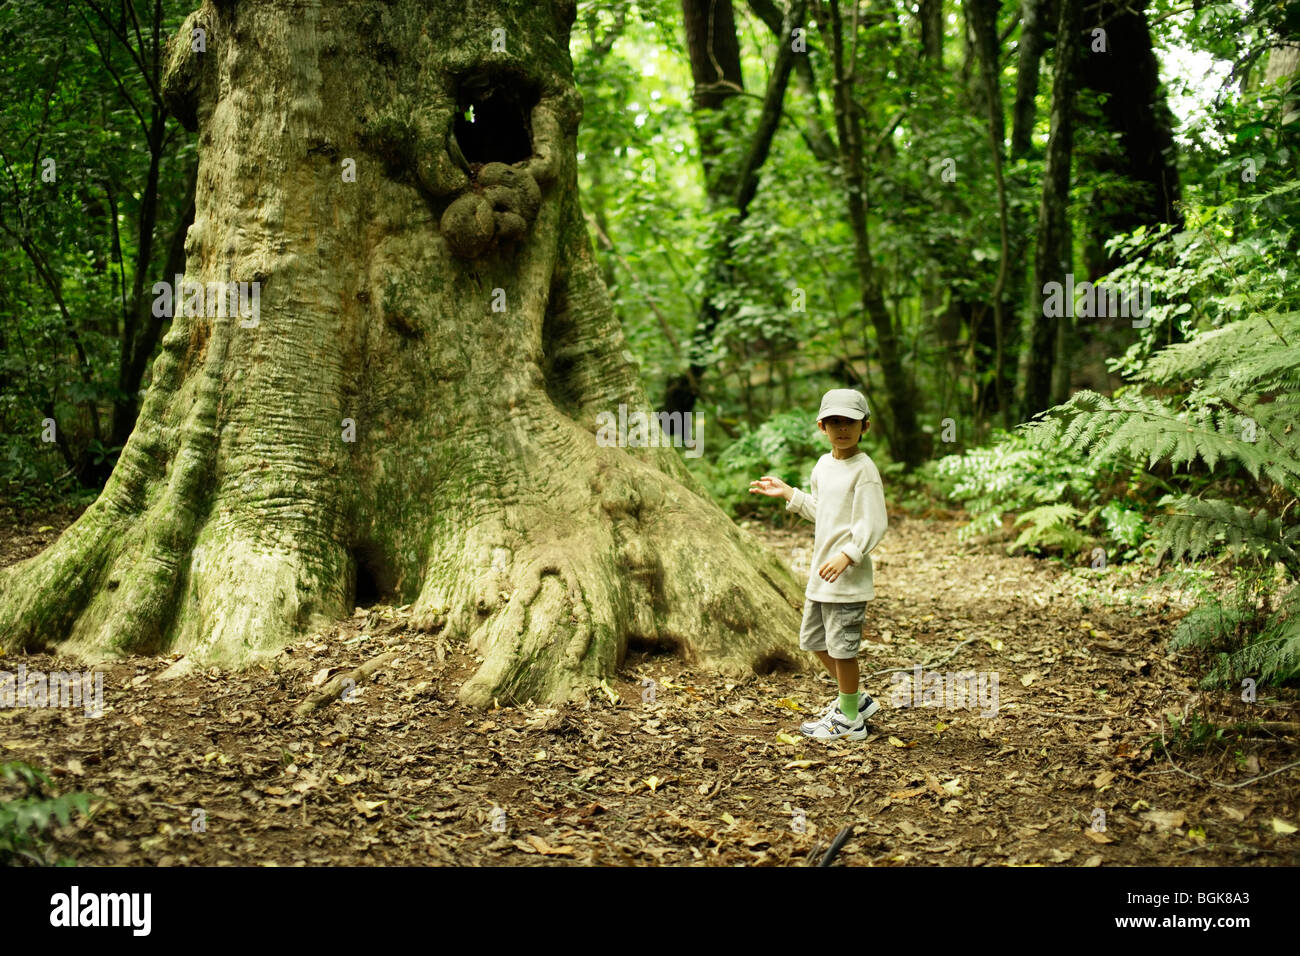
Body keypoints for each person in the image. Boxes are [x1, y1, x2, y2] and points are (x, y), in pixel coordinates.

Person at [748, 388, 888, 741]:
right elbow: (821, 510)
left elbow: (874, 523)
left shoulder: (864, 471)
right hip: (821, 576)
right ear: (822, 426)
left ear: (865, 427)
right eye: (835, 422)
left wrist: (849, 554)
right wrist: (790, 495)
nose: (842, 429)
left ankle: (850, 721)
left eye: (850, 422)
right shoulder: (824, 466)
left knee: (843, 648)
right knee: (813, 640)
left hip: (848, 578)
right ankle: (854, 699)